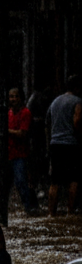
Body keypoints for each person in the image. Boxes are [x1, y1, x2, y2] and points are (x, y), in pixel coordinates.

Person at [46, 75, 82, 216]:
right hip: (71, 144)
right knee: (73, 179)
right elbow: (77, 121)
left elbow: (47, 122)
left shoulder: (55, 102)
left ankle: (51, 213)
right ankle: (70, 212)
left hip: (55, 144)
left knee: (55, 181)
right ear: (77, 88)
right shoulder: (78, 101)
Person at [6, 88, 40, 214]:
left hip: (21, 154)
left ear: (20, 98)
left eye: (15, 96)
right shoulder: (8, 114)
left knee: (21, 182)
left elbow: (23, 133)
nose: (13, 99)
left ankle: (29, 208)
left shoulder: (25, 113)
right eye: (11, 97)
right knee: (6, 186)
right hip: (8, 154)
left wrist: (6, 130)